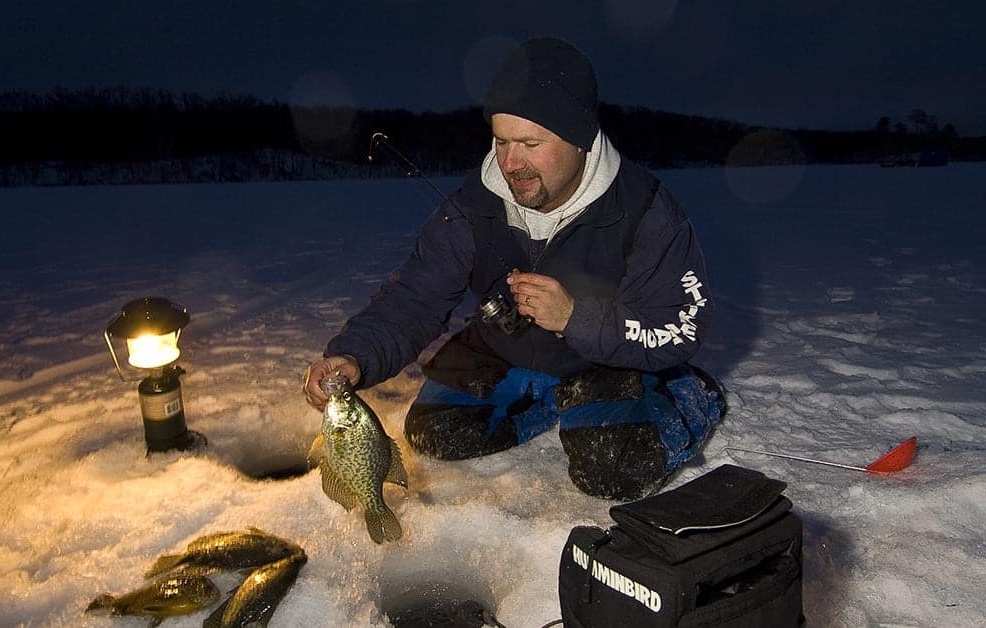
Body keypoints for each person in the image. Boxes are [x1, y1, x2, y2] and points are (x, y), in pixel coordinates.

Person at [303, 37, 725, 501]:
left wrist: (574, 318)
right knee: (435, 434)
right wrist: (355, 355)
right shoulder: (471, 207)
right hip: (505, 354)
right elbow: (415, 298)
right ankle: (550, 401)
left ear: (580, 139)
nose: (511, 162)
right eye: (501, 141)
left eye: (530, 143)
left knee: (615, 465)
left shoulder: (646, 211)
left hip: (607, 361)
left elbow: (679, 327)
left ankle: (689, 396)